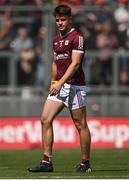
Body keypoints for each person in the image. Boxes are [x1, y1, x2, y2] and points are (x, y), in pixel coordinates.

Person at [28, 4, 92, 173]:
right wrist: (53, 81)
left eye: (63, 20)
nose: (60, 23)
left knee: (80, 125)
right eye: (57, 20)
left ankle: (85, 163)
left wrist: (60, 82)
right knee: (45, 119)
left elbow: (76, 64)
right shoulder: (56, 39)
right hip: (59, 85)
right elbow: (55, 62)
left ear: (70, 19)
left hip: (74, 86)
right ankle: (46, 161)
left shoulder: (77, 37)